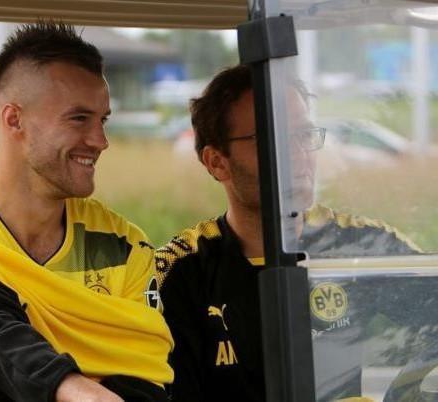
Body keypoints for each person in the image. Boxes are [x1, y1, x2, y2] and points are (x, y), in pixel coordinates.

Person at [0, 22, 173, 402]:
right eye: (79, 118)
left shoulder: (123, 246)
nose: (100, 141)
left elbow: (147, 383)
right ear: (14, 120)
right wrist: (76, 390)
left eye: (102, 120)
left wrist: (5, 392)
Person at [155, 64, 422, 402]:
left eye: (304, 136)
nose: (297, 155)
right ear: (217, 162)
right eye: (272, 139)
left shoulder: (360, 244)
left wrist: (405, 393)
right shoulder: (178, 270)